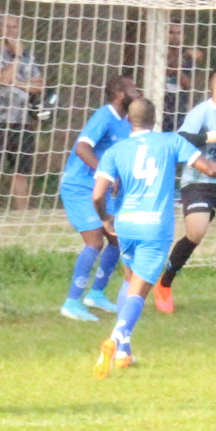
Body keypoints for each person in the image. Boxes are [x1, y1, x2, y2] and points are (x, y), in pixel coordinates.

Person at [88, 97, 216, 376]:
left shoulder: (116, 150)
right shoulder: (171, 142)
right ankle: (116, 337)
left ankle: (124, 351)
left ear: (128, 122)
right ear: (155, 119)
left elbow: (98, 194)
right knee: (139, 291)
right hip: (154, 226)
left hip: (126, 223)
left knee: (129, 279)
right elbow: (210, 169)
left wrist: (105, 218)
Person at [153, 68, 216, 312]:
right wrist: (212, 136)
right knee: (196, 232)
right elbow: (181, 141)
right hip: (199, 183)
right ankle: (164, 284)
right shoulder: (200, 113)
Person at [58, 74, 138, 321]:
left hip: (100, 187)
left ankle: (96, 294)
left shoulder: (126, 123)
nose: (138, 92)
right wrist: (107, 175)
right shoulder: (104, 116)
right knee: (94, 241)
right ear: (120, 96)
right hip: (78, 185)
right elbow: (82, 148)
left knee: (116, 240)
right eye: (133, 89)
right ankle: (71, 302)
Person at [0, 14, 44, 211]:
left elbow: (39, 85)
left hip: (22, 120)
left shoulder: (28, 55)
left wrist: (17, 82)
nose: (11, 31)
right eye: (7, 27)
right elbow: (1, 77)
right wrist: (16, 57)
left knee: (21, 170)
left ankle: (22, 213)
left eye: (15, 27)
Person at [162, 22, 204, 130]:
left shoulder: (188, 56)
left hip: (179, 105)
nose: (175, 36)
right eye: (171, 32)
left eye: (178, 33)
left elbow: (188, 84)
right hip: (161, 103)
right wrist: (182, 58)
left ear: (183, 36)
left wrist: (177, 68)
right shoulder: (158, 53)